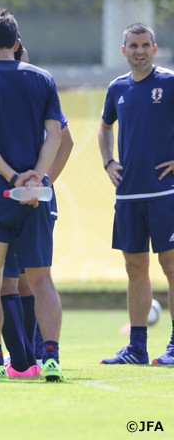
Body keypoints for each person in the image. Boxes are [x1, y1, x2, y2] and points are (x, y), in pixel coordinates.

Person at [0, 8, 65, 382]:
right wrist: (37, 176)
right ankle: (51, 359)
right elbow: (55, 134)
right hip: (35, 194)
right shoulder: (43, 78)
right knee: (42, 281)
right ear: (17, 43)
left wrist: (12, 176)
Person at [99, 22, 174, 366]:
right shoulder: (117, 88)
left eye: (145, 44)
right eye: (133, 45)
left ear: (154, 49)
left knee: (171, 266)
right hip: (129, 195)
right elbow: (104, 126)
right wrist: (108, 162)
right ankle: (137, 348)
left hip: (165, 193)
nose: (139, 50)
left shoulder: (169, 82)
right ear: (124, 50)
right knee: (135, 267)